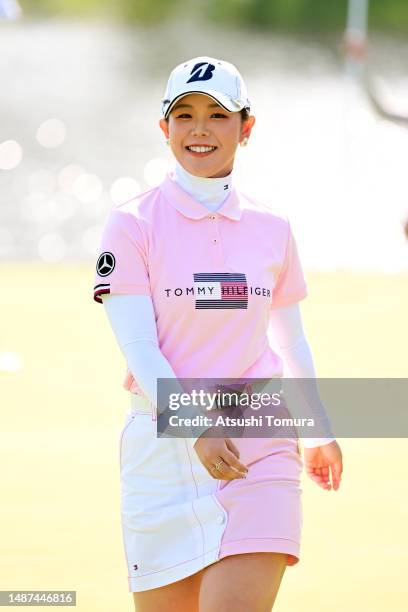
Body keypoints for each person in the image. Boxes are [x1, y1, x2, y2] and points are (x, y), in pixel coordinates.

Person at [93, 56, 343, 612]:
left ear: (246, 128)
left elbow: (289, 341)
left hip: (258, 442)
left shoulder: (273, 228)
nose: (199, 129)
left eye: (217, 114)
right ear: (164, 129)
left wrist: (319, 427)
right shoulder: (131, 224)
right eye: (183, 115)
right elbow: (139, 347)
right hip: (160, 456)